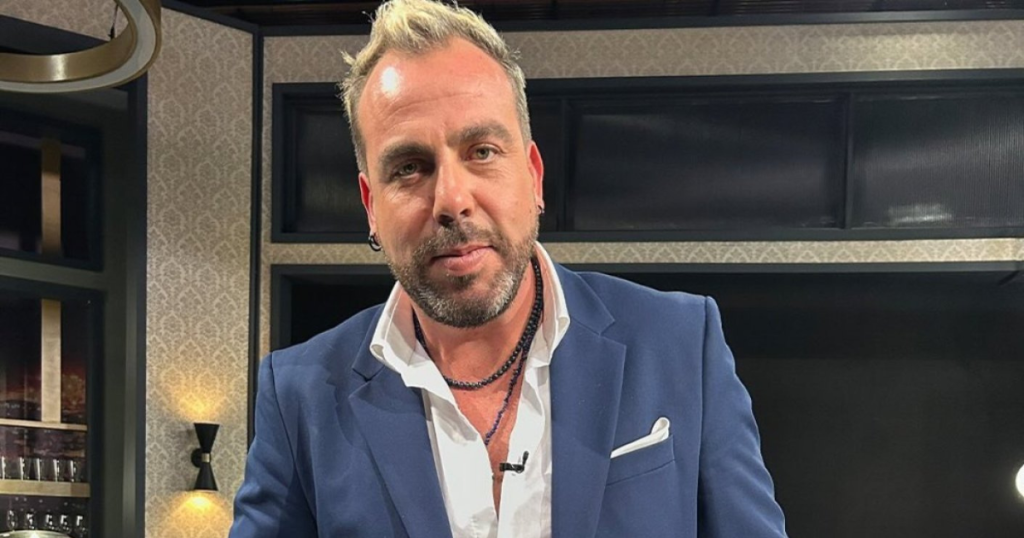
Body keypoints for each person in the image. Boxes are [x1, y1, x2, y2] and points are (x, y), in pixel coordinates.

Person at [230, 0, 787, 536]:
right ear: (371, 206)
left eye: (482, 151)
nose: (452, 200)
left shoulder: (681, 344)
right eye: (410, 167)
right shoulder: (299, 395)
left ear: (534, 176)